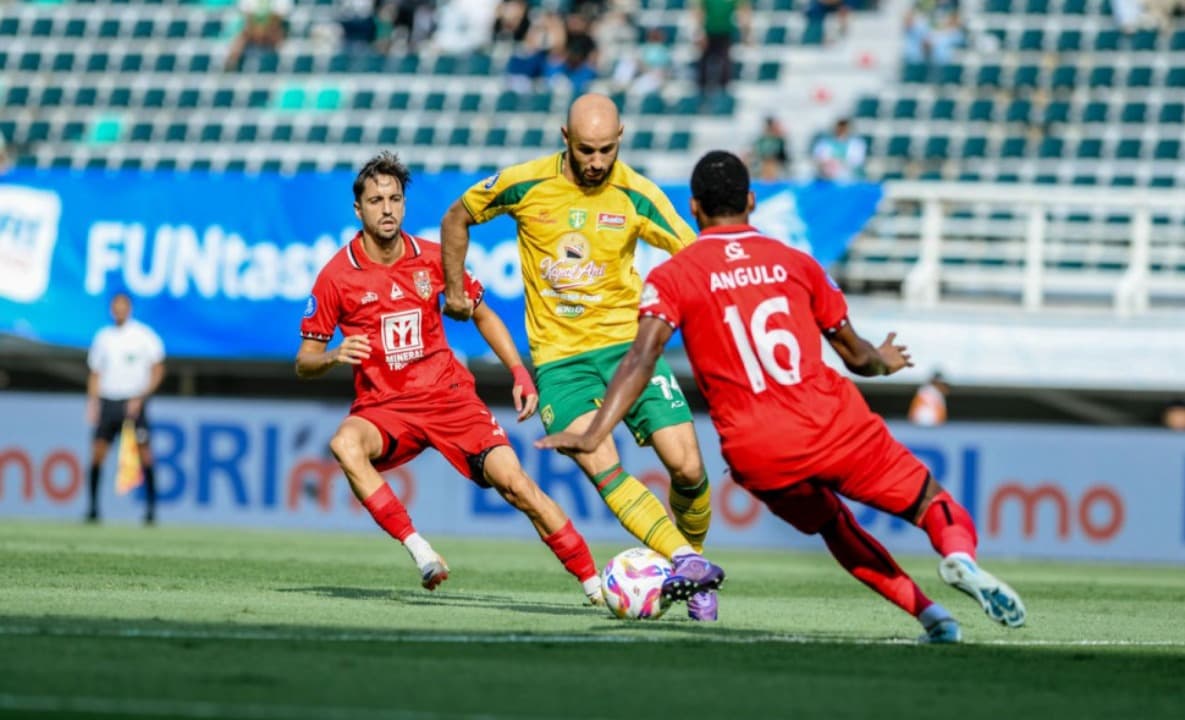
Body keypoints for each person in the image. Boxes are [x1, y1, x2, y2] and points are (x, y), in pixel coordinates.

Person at [539, 150, 1028, 643]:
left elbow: (641, 359)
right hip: (834, 425)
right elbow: (858, 358)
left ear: (693, 208)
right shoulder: (797, 263)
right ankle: (959, 558)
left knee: (836, 528)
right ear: (751, 200)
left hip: (758, 452)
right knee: (930, 503)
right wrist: (885, 360)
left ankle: (933, 619)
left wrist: (596, 431)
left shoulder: (673, 275)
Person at [439, 93, 725, 620]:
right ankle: (685, 559)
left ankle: (696, 568)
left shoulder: (637, 194)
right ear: (564, 138)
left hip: (629, 351)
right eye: (587, 150)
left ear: (622, 140)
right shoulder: (524, 183)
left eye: (607, 150)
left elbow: (697, 255)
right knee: (603, 463)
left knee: (687, 466)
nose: (597, 162)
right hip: (560, 362)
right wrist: (454, 291)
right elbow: (457, 215)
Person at [297, 152, 601, 602]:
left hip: (449, 397)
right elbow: (304, 360)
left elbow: (484, 314)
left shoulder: (435, 259)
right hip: (385, 408)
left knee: (517, 486)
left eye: (394, 199)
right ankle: (420, 551)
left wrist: (520, 372)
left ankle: (596, 586)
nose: (387, 209)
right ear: (358, 209)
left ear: (404, 204)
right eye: (376, 200)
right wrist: (334, 354)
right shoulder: (336, 277)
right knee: (345, 444)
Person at [86, 293, 165, 525]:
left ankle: (151, 511)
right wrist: (93, 402)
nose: (119, 310)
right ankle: (93, 509)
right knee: (98, 453)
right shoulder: (103, 338)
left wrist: (141, 396)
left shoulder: (143, 336)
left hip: (134, 402)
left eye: (123, 306)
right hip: (109, 402)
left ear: (129, 309)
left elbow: (158, 369)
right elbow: (95, 373)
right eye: (115, 306)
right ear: (111, 309)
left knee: (144, 455)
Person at [813, 118, 867, 182]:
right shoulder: (825, 142)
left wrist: (840, 164)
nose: (841, 130)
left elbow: (857, 160)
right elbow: (819, 157)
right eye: (840, 128)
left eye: (844, 128)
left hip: (850, 177)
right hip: (827, 177)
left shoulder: (857, 143)